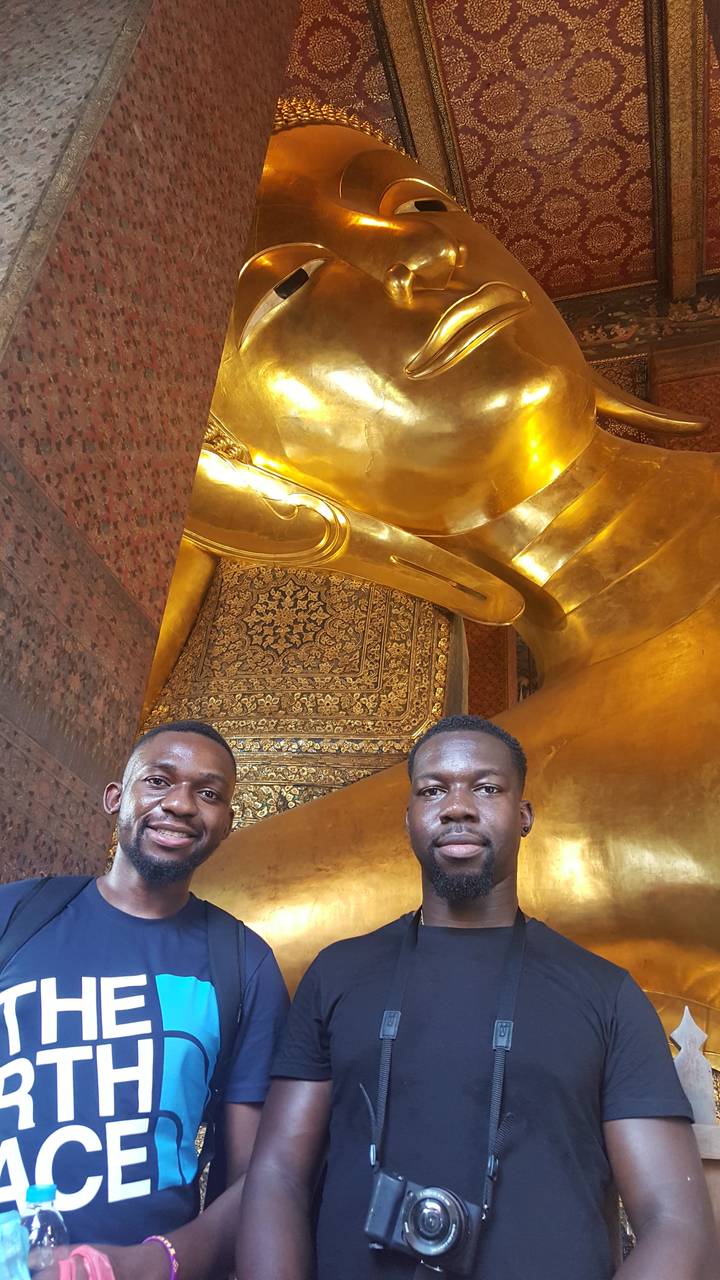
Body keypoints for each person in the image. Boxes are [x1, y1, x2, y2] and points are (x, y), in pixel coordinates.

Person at [236, 714, 718, 1280]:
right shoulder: (338, 973)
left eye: (486, 788)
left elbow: (675, 1222)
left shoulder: (605, 993)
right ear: (409, 818)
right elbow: (277, 1177)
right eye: (433, 790)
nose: (458, 806)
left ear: (524, 815)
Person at [0, 719, 289, 1280]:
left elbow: (260, 1177)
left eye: (208, 793)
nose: (180, 804)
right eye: (158, 781)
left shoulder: (242, 963)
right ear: (116, 798)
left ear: (227, 823)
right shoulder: (15, 915)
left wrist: (153, 1262)